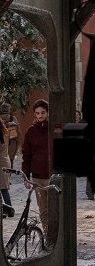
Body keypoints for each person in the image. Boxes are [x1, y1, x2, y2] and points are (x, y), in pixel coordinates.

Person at [22, 99, 50, 236]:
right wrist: (26, 176)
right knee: (43, 209)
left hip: (53, 176)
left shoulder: (55, 128)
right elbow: (26, 155)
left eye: (43, 113)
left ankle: (58, 235)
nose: (40, 116)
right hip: (38, 177)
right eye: (37, 113)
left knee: (56, 208)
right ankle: (47, 234)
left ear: (48, 113)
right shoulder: (30, 131)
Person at [0, 117, 15, 217]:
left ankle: (9, 210)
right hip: (5, 161)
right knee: (4, 188)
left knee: (3, 188)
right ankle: (5, 210)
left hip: (1, 163)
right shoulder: (4, 132)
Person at [0, 103, 20, 167]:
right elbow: (18, 136)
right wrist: (15, 151)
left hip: (2, 151)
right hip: (11, 150)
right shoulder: (13, 119)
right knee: (9, 171)